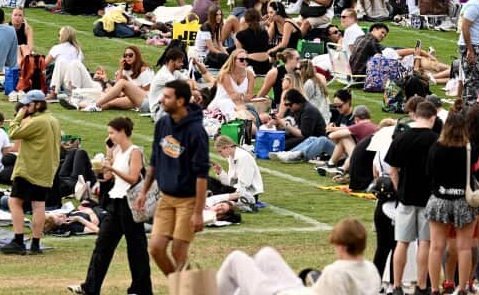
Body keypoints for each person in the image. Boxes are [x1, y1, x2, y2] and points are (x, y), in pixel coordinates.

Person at [69, 117, 152, 295]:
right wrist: (107, 160)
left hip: (130, 204)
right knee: (103, 244)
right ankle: (90, 287)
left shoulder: (135, 152)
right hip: (115, 203)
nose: (110, 137)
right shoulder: (117, 152)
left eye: (112, 133)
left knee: (136, 247)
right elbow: (108, 178)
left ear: (122, 132)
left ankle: (141, 289)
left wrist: (113, 169)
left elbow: (133, 178)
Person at [137, 80, 208, 277]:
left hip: (188, 200)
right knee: (156, 248)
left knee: (178, 251)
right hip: (166, 198)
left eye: (167, 97)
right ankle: (181, 286)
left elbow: (202, 175)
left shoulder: (196, 132)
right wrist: (143, 192)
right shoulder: (162, 124)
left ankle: (188, 289)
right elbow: (154, 161)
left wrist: (198, 212)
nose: (161, 100)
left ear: (180, 101)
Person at [215, 217, 381, 295]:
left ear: (342, 246)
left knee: (236, 258)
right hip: (301, 291)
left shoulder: (336, 272)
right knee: (267, 254)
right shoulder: (370, 269)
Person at [384, 99, 439, 295]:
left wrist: (399, 190)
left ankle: (397, 285)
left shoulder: (402, 137)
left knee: (402, 242)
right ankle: (421, 286)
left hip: (406, 196)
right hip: (428, 198)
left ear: (416, 115)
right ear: (433, 117)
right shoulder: (436, 140)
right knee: (425, 243)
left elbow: (392, 170)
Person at [0, 90, 61, 255]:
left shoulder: (37, 121)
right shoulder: (53, 120)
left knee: (14, 202)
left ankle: (18, 241)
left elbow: (13, 133)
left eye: (28, 105)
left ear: (38, 104)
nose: (25, 107)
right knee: (38, 205)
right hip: (46, 169)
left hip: (30, 168)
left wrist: (18, 116)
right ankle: (35, 244)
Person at [425, 109, 477, 295]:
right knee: (464, 248)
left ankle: (434, 288)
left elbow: (429, 173)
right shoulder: (469, 148)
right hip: (463, 200)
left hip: (439, 198)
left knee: (436, 246)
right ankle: (462, 288)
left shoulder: (436, 147)